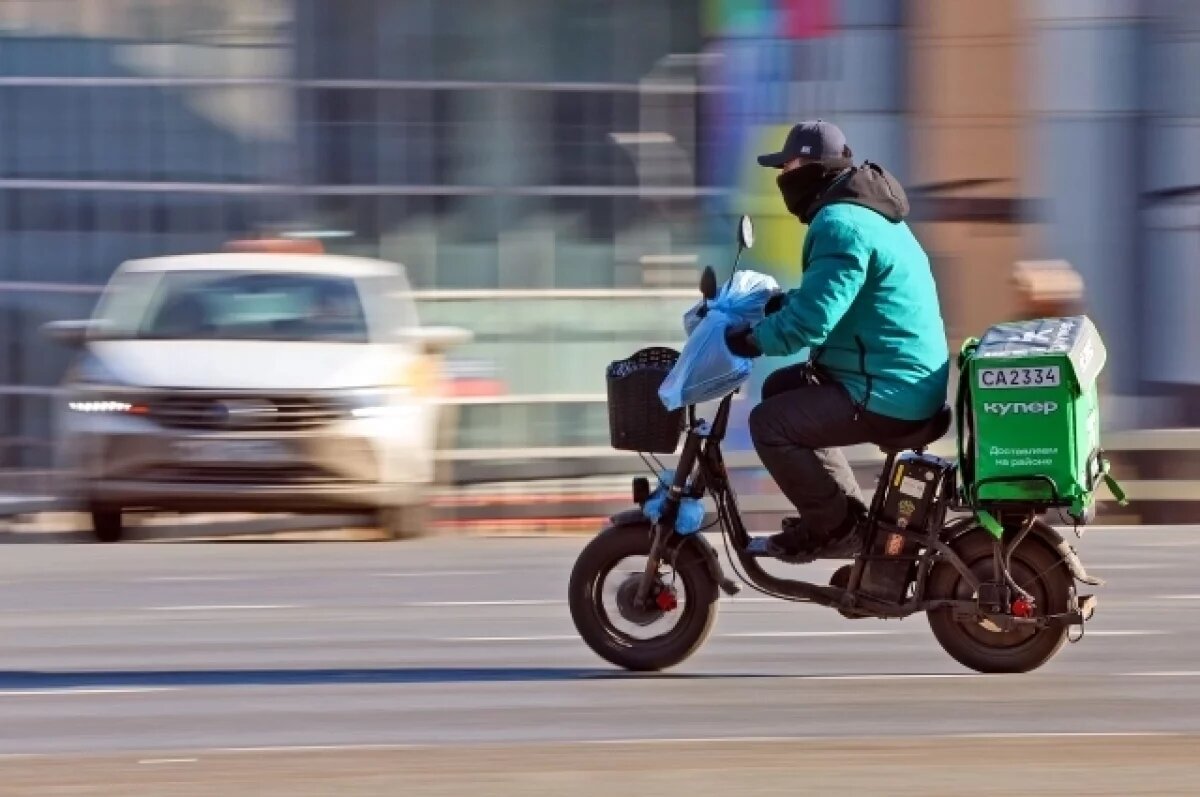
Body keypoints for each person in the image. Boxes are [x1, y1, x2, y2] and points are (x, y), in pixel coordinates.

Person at [724, 120, 950, 562]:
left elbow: (811, 323)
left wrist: (750, 341)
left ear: (810, 166)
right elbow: (836, 296)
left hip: (890, 390)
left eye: (786, 167)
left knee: (769, 423)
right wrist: (775, 305)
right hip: (899, 375)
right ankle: (845, 518)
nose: (781, 178)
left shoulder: (839, 223)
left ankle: (835, 527)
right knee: (781, 390)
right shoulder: (866, 212)